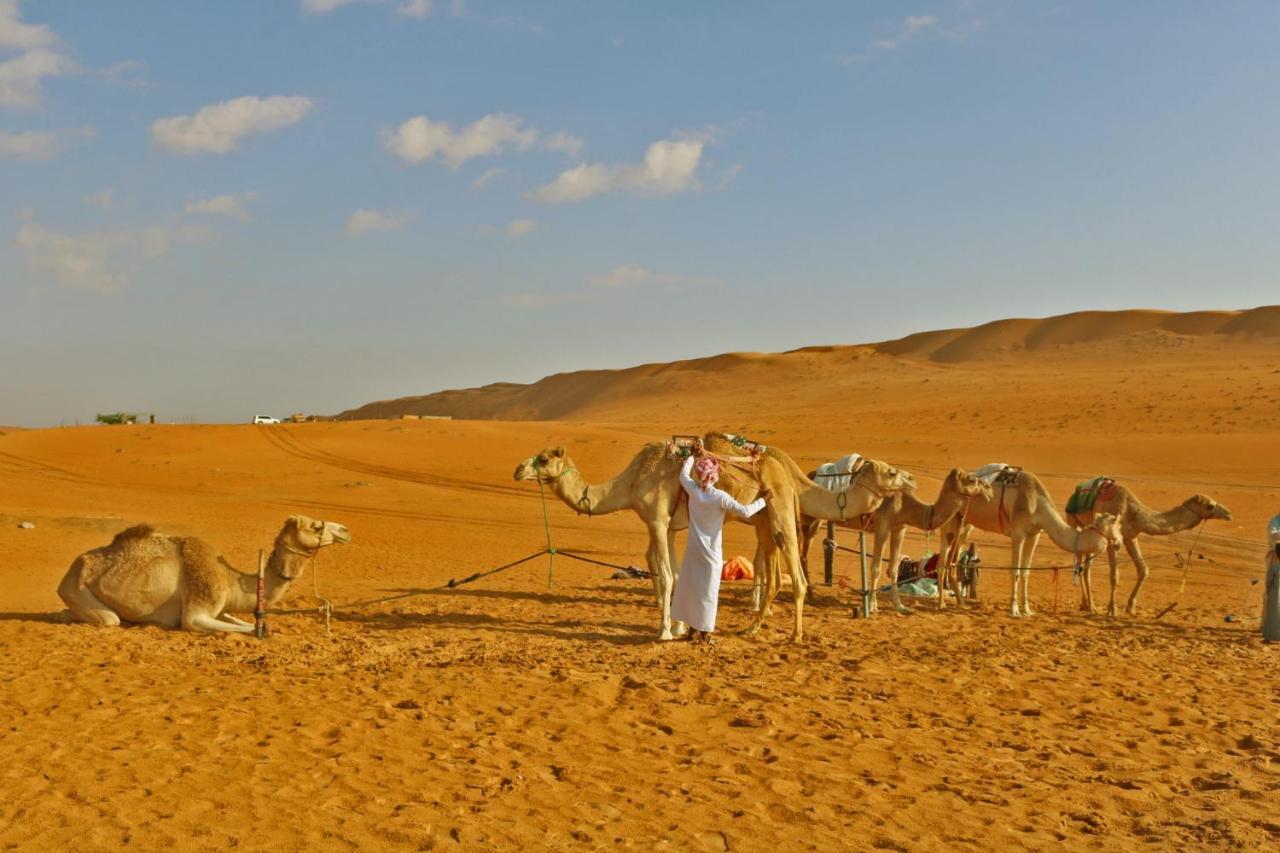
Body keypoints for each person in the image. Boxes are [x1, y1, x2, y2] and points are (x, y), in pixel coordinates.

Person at [669, 442, 770, 644]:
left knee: (691, 589)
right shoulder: (719, 497)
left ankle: (691, 631)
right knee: (708, 594)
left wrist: (691, 456)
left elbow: (683, 476)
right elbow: (746, 511)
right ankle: (705, 634)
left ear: (700, 474)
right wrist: (764, 500)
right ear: (715, 475)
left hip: (693, 552)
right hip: (711, 555)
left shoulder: (693, 491)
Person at [1264, 513, 1280, 643]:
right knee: (1272, 596)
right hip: (1275, 558)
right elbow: (1273, 535)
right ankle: (1268, 628)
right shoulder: (1275, 521)